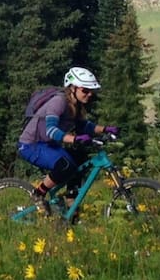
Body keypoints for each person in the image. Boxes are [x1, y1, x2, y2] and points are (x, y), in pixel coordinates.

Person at [17, 67, 119, 212]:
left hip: (48, 144)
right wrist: (75, 139)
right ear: (72, 88)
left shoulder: (76, 105)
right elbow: (51, 130)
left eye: (92, 92)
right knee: (65, 165)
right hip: (31, 145)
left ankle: (71, 203)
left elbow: (84, 126)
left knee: (80, 158)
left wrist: (105, 129)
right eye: (85, 90)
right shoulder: (59, 102)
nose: (89, 94)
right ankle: (38, 193)